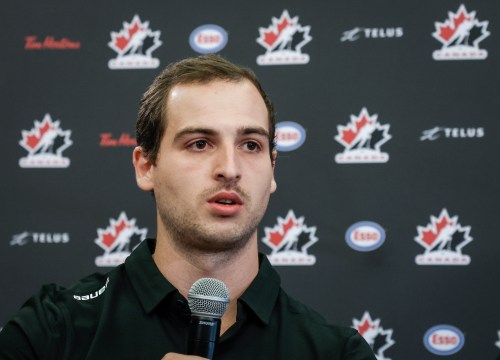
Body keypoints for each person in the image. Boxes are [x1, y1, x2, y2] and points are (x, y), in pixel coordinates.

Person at [0, 54, 376, 359]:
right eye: (200, 143)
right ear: (146, 166)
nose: (229, 169)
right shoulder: (52, 332)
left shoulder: (336, 352)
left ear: (272, 169)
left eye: (250, 145)